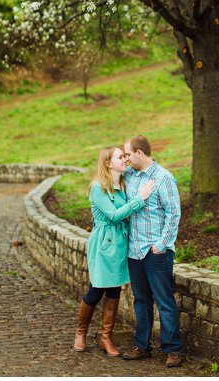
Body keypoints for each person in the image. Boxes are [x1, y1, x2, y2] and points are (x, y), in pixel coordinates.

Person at [73, 146, 155, 355]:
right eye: (120, 157)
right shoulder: (98, 188)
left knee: (114, 290)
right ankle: (80, 333)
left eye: (125, 156)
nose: (125, 160)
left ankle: (105, 338)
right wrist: (140, 198)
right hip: (104, 244)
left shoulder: (124, 183)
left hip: (121, 242)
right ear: (108, 163)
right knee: (96, 289)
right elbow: (114, 215)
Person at [121, 135, 184, 367]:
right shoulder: (130, 177)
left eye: (128, 154)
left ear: (139, 153)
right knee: (141, 300)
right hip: (134, 250)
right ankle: (142, 345)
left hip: (155, 251)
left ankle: (173, 349)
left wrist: (162, 245)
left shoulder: (163, 178)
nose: (126, 159)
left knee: (164, 300)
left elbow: (173, 214)